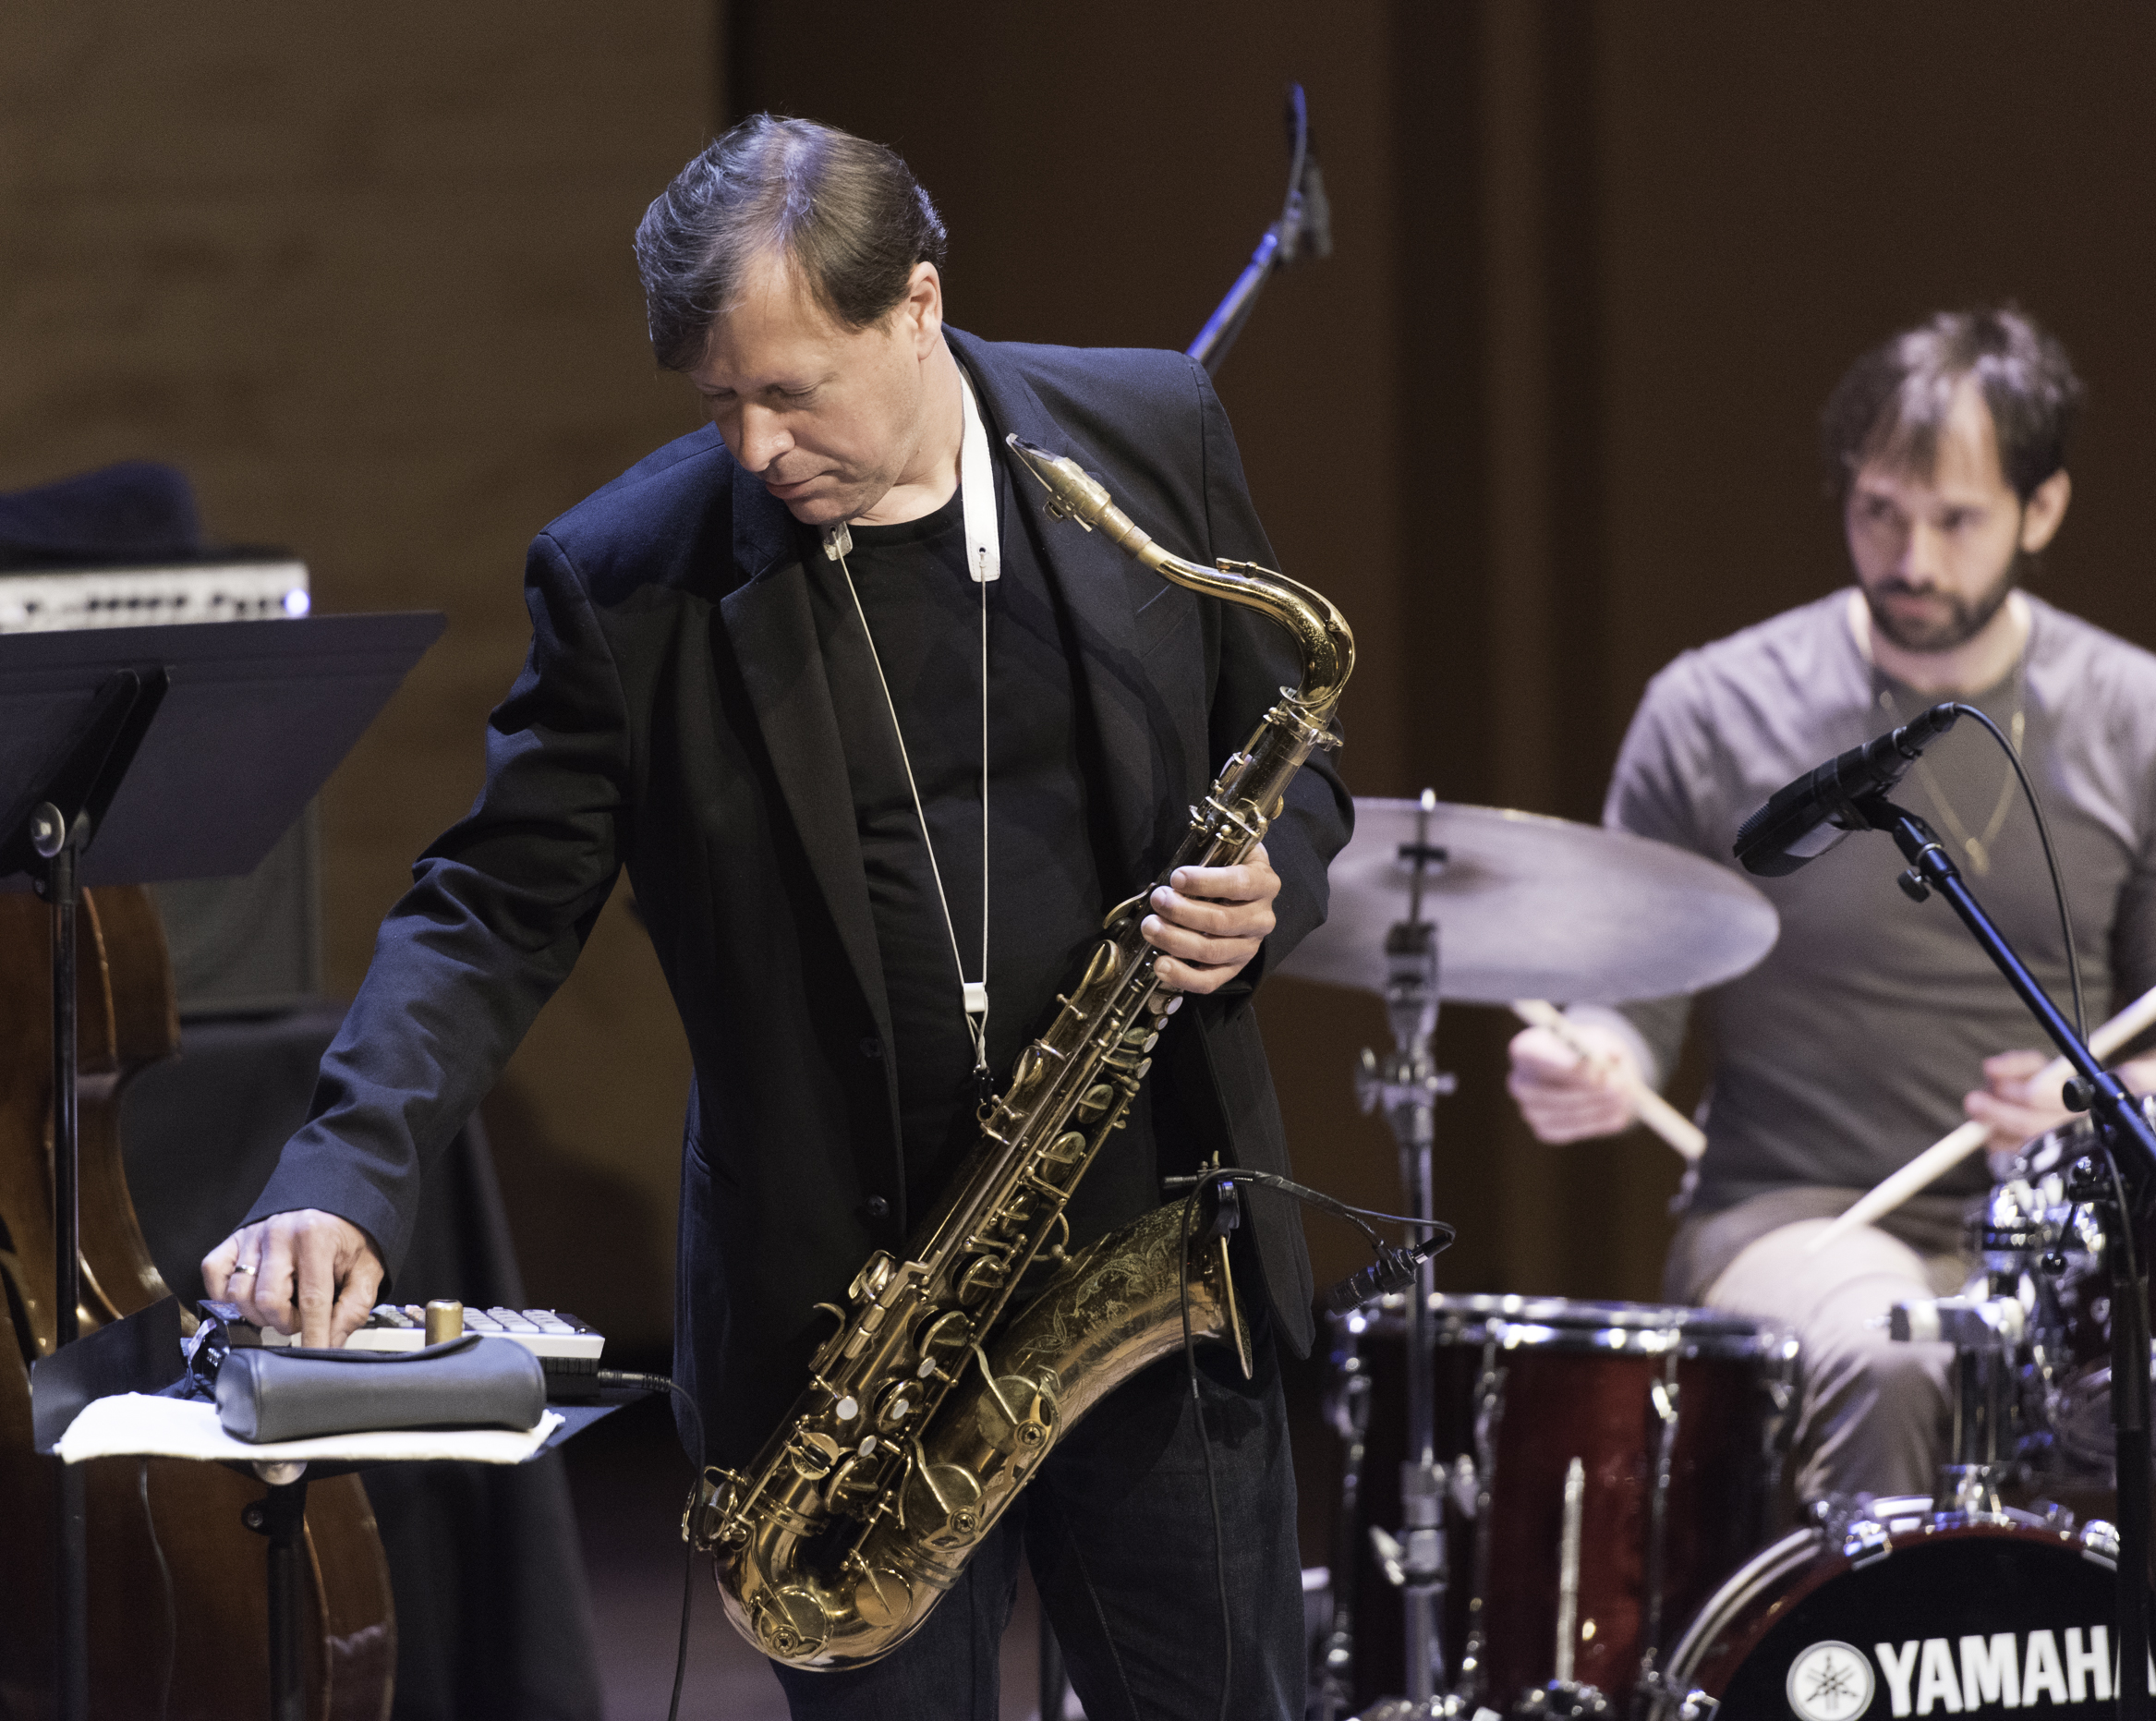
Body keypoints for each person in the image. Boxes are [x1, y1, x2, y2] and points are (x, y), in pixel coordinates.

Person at [201, 116, 1351, 1719]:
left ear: (919, 305)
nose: (752, 448)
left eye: (791, 391)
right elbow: (488, 909)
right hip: (845, 1344)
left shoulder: (1148, 431)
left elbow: (1294, 754)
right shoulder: (628, 579)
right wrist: (344, 1173)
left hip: (1147, 1273)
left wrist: (1266, 886)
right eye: (716, 401)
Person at [1505, 307, 2156, 1502]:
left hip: (2065, 1246)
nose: (1913, 560)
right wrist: (1587, 1059)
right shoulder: (1714, 709)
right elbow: (1634, 1008)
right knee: (1897, 1348)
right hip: (1789, 1220)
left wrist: (2090, 1103)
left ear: (2042, 512)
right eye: (1880, 511)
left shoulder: (2142, 718)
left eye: (1957, 520)